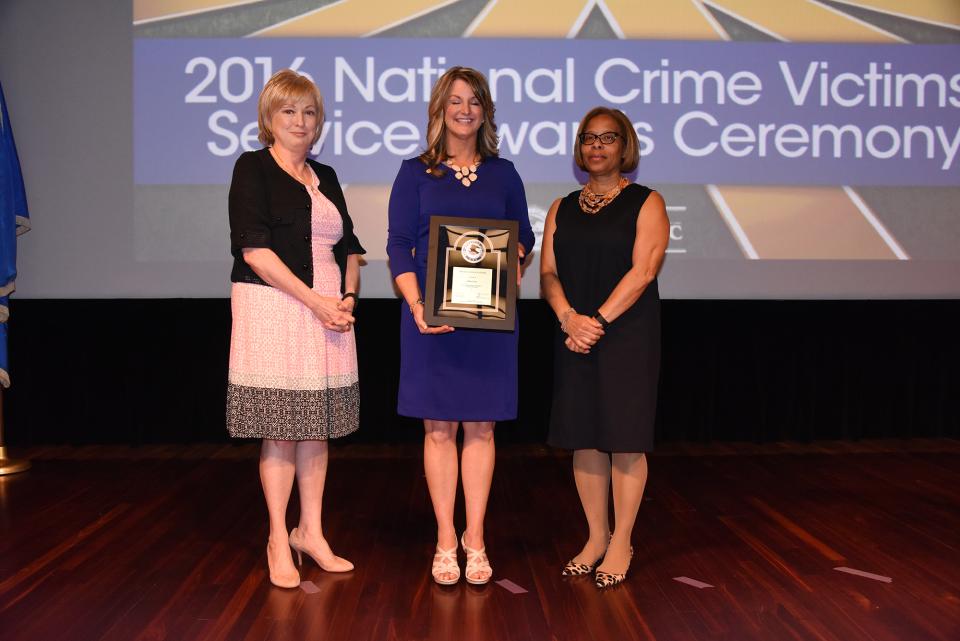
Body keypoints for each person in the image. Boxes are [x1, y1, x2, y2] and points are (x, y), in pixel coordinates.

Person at [386, 66, 535, 586]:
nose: (464, 109)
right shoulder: (414, 173)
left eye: (474, 101)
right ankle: (445, 540)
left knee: (483, 427)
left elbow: (525, 241)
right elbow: (397, 245)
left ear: (485, 111)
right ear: (439, 110)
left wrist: (511, 257)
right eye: (454, 100)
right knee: (438, 429)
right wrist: (416, 305)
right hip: (431, 322)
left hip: (488, 322)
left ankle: (477, 539)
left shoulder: (505, 173)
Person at [226, 69, 365, 588]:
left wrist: (346, 298)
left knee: (316, 426)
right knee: (282, 429)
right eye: (289, 111)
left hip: (329, 311)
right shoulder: (252, 168)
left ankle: (312, 531)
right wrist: (316, 302)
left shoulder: (325, 175)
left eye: (309, 112)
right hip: (274, 308)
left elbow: (350, 247)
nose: (300, 121)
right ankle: (277, 539)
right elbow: (254, 249)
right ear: (269, 119)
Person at [540, 106, 669, 589]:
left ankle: (621, 543)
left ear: (625, 146)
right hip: (574, 332)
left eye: (608, 138)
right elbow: (549, 274)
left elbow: (644, 271)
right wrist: (569, 318)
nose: (597, 146)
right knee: (584, 434)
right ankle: (596, 537)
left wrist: (596, 320)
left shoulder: (647, 201)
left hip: (627, 333)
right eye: (589, 139)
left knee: (625, 438)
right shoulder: (561, 206)